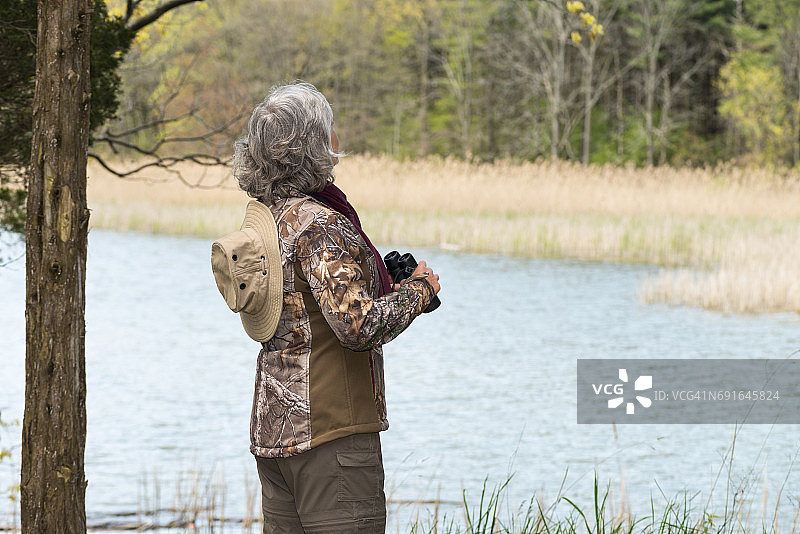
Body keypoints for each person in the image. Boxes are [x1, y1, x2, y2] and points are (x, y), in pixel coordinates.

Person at [229, 82, 440, 533]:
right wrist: (419, 291)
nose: (336, 139)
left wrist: (375, 277)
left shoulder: (269, 219)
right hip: (331, 437)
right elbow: (358, 326)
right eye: (329, 130)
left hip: (275, 433)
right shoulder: (321, 224)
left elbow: (301, 310)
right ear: (312, 144)